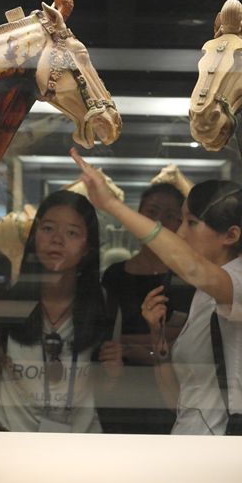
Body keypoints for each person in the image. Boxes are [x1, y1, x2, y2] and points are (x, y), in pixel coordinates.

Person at [71, 148, 242, 436]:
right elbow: (174, 401)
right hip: (187, 442)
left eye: (190, 223)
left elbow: (191, 267)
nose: (180, 233)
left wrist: (112, 205)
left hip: (221, 451)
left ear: (230, 236)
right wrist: (158, 337)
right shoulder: (204, 295)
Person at [0, 190, 122, 432]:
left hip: (83, 443)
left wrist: (113, 375)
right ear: (34, 237)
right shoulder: (0, 304)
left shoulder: (103, 305)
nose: (58, 239)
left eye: (72, 232)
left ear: (87, 248)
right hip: (14, 442)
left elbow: (101, 388)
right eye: (48, 228)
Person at [100, 182, 195, 433]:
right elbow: (105, 339)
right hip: (121, 390)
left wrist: (141, 351)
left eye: (171, 216)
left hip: (176, 392)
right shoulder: (114, 275)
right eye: (151, 212)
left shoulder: (191, 279)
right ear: (137, 216)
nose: (158, 222)